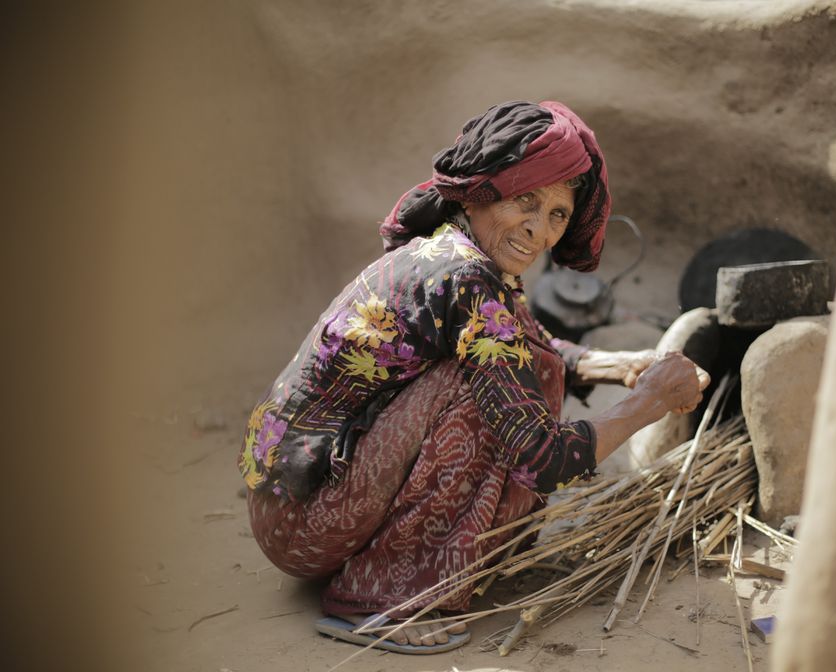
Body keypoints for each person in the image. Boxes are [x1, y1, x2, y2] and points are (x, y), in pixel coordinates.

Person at [238, 100, 709, 653]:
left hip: (291, 507)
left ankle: (398, 563)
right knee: (486, 391)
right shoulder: (466, 275)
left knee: (509, 371)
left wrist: (617, 365)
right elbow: (542, 457)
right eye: (526, 200)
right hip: (303, 525)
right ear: (484, 189)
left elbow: (518, 341)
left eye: (558, 214)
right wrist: (647, 403)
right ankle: (380, 599)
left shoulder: (453, 246)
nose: (538, 230)